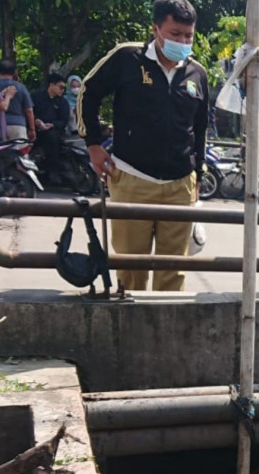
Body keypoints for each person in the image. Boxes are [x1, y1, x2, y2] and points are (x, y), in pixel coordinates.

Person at [79, 0, 208, 292]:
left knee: (173, 271)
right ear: (156, 29)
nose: (183, 42)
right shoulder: (128, 58)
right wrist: (94, 144)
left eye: (188, 36)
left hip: (180, 185)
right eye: (175, 34)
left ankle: (165, 336)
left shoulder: (197, 74)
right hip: (132, 178)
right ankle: (130, 337)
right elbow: (89, 91)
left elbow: (200, 128)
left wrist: (198, 174)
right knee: (130, 270)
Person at [32, 73, 71, 179]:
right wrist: (36, 121)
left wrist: (52, 125)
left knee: (53, 138)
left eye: (64, 88)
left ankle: (54, 171)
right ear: (52, 85)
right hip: (35, 130)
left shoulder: (63, 102)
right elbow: (29, 111)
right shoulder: (36, 97)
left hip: (54, 131)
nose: (62, 90)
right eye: (60, 87)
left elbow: (64, 120)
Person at [0, 58, 35, 141]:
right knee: (20, 152)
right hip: (18, 125)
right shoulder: (21, 87)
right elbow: (29, 110)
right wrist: (32, 129)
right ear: (14, 72)